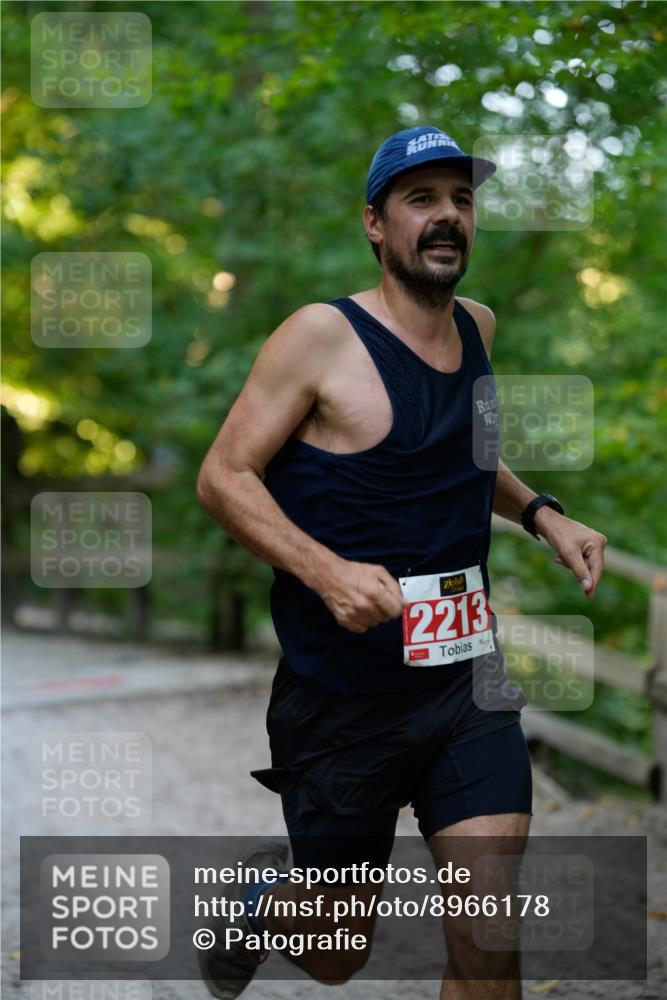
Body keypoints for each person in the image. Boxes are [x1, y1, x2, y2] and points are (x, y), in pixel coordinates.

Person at [195, 125, 608, 1000]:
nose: (446, 215)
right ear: (375, 224)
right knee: (336, 954)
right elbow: (222, 476)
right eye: (421, 199)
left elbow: (467, 457)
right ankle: (265, 900)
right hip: (342, 700)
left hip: (463, 684)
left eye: (460, 198)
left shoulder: (478, 328)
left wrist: (542, 515)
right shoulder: (319, 336)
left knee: (489, 936)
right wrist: (326, 573)